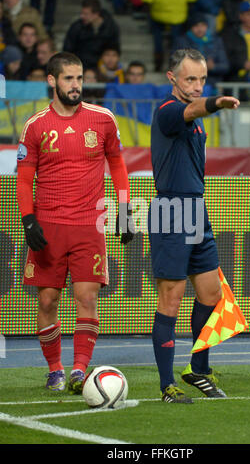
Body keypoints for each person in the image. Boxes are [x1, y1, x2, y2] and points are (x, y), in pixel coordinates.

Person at [16, 51, 135, 394]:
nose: (76, 85)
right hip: (49, 226)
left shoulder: (103, 119)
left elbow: (118, 164)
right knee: (47, 301)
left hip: (88, 226)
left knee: (87, 297)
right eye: (68, 78)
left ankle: (80, 370)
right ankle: (54, 369)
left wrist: (124, 210)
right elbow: (25, 180)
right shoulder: (36, 125)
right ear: (52, 81)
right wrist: (28, 220)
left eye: (80, 78)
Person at [147, 48, 240, 403]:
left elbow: (196, 110)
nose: (198, 86)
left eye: (202, 79)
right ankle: (166, 386)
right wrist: (217, 101)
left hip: (195, 210)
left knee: (212, 295)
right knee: (171, 298)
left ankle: (197, 370)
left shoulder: (193, 117)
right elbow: (193, 109)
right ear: (172, 78)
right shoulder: (170, 111)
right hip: (171, 210)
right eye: (190, 79)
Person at [172, 12, 229, 89]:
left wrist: (213, 67)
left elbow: (225, 66)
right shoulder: (182, 42)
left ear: (207, 26)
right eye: (196, 26)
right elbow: (175, 65)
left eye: (203, 25)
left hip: (212, 87)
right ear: (190, 27)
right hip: (188, 87)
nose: (200, 29)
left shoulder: (216, 41)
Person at [141, 0, 198, 72]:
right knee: (176, 41)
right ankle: (174, 63)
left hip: (159, 13)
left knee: (158, 38)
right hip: (178, 14)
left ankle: (158, 59)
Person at [63, 0, 120, 70]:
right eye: (82, 13)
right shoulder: (76, 27)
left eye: (86, 14)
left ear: (96, 14)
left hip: (102, 68)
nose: (82, 16)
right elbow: (67, 50)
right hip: (80, 67)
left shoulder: (111, 28)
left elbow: (115, 49)